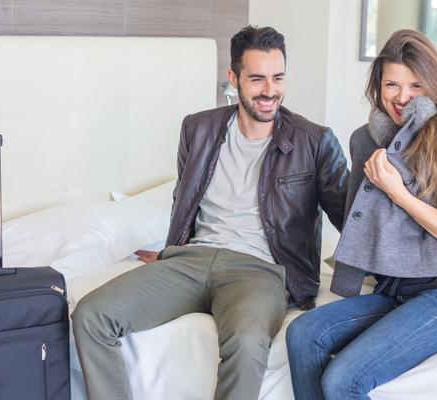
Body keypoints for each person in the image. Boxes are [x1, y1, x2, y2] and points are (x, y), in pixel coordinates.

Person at [72, 25, 349, 400]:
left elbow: (351, 218)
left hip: (260, 269)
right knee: (92, 315)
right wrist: (171, 249)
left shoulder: (313, 140)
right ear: (233, 78)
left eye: (278, 78)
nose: (270, 91)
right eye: (257, 79)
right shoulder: (198, 129)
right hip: (190, 261)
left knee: (247, 340)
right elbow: (184, 198)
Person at [285, 29, 437, 400]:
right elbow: (358, 218)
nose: (401, 97)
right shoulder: (365, 140)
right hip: (395, 292)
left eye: (415, 86)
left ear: (433, 86)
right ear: (378, 86)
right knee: (303, 333)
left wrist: (397, 192)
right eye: (392, 85)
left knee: (342, 379)